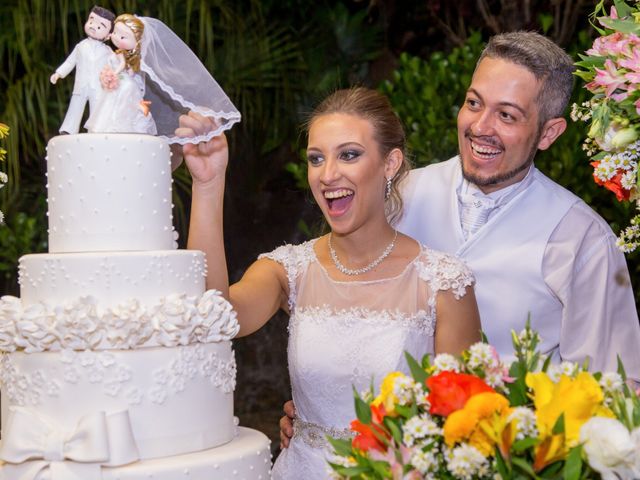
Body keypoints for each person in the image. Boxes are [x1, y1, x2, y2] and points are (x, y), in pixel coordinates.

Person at [279, 30, 640, 448]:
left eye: (507, 115)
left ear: (548, 133)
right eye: (474, 103)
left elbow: (611, 396)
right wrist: (318, 416)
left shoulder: (582, 240)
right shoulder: (394, 196)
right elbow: (332, 306)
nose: (480, 127)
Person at [180, 88, 481, 478]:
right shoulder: (290, 269)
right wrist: (208, 184)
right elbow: (212, 317)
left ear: (390, 163)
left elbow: (461, 432)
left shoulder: (444, 282)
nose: (327, 174)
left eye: (349, 155)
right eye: (316, 159)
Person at [85, 14, 157, 135]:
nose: (116, 38)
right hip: (119, 80)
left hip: (123, 82)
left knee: (120, 102)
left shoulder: (122, 55)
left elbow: (123, 65)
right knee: (109, 102)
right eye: (115, 33)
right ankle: (110, 126)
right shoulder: (116, 52)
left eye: (123, 37)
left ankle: (120, 125)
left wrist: (114, 73)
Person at [50, 6, 115, 134]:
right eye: (91, 21)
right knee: (75, 106)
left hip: (98, 86)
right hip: (81, 83)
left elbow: (116, 65)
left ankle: (96, 130)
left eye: (100, 26)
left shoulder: (108, 52)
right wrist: (58, 73)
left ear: (109, 35)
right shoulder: (81, 46)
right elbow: (70, 62)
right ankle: (69, 129)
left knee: (96, 109)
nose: (93, 26)